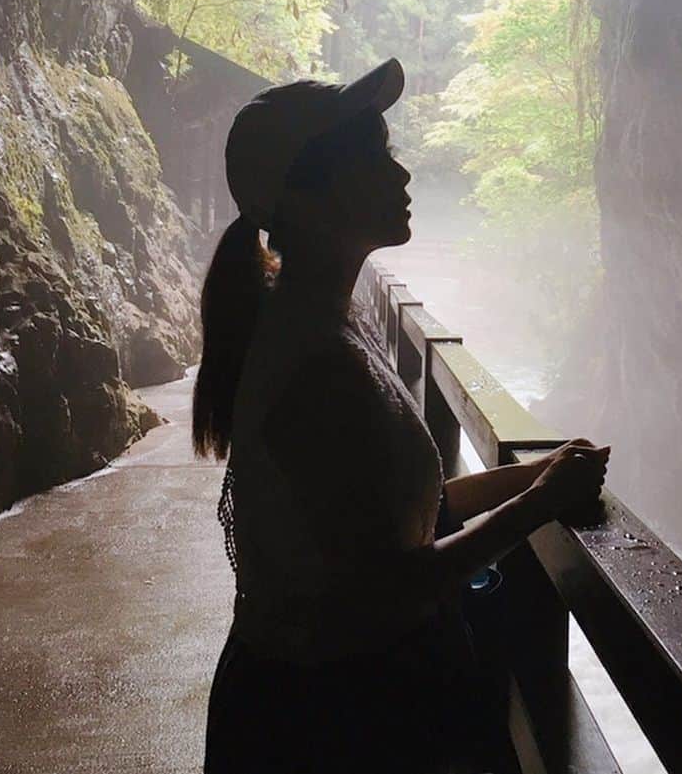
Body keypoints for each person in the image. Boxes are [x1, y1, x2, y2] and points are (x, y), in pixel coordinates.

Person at [194, 57, 609, 773]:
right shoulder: (315, 362)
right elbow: (388, 586)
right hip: (321, 725)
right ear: (313, 198)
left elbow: (394, 511)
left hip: (332, 701)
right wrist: (539, 504)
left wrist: (533, 475)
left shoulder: (329, 319)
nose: (403, 174)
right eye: (377, 155)